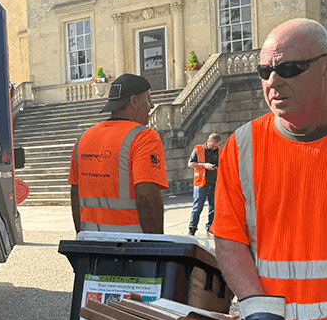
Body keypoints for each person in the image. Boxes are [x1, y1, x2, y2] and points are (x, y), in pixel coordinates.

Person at [212, 18, 327, 320]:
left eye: (289, 68)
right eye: (264, 70)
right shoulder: (242, 146)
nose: (273, 81)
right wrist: (259, 316)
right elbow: (229, 238)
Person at [68, 74, 168, 234]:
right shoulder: (144, 137)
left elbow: (75, 193)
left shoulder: (84, 138)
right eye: (148, 99)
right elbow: (146, 195)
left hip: (91, 242)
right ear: (134, 101)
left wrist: (82, 237)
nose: (151, 105)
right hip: (131, 243)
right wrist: (156, 244)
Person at [186, 133, 221, 237]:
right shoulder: (198, 149)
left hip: (214, 183)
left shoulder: (219, 150)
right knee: (197, 207)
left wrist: (217, 167)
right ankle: (192, 229)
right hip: (201, 184)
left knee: (214, 208)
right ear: (207, 142)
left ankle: (210, 229)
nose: (214, 148)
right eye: (212, 145)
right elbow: (190, 164)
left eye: (216, 146)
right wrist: (204, 165)